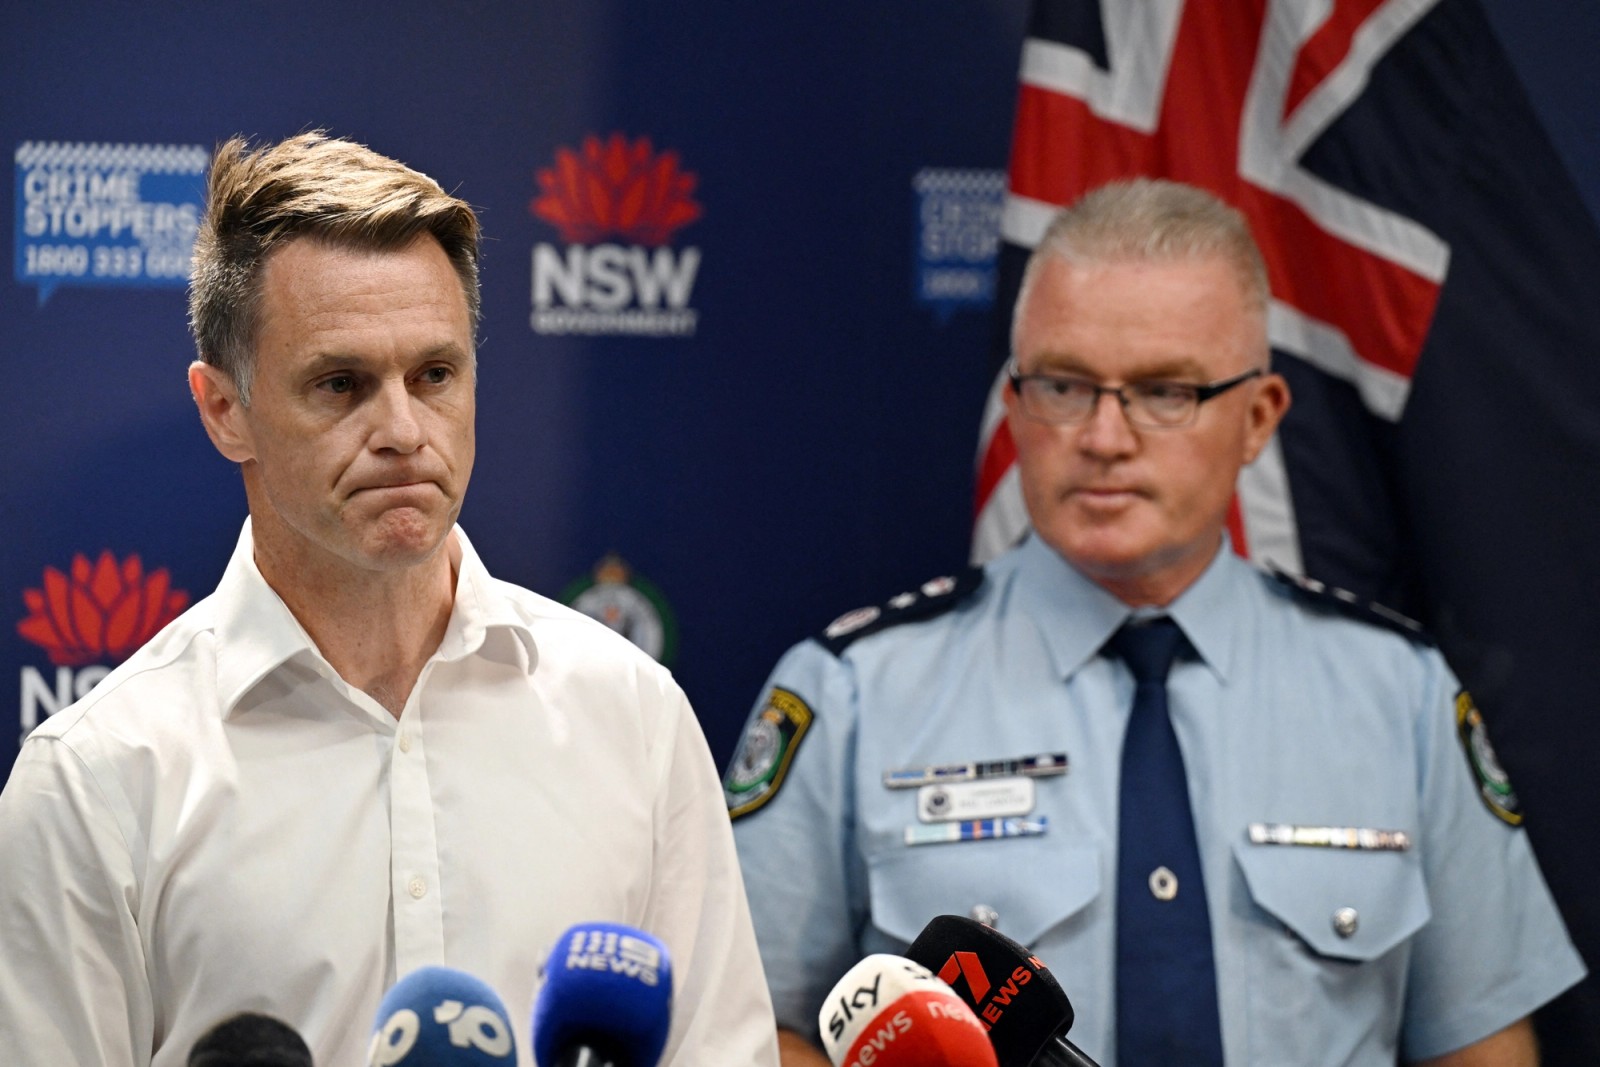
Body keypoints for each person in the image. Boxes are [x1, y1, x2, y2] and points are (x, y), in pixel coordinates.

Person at [726, 178, 1585, 1066]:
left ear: (1258, 419)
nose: (1105, 436)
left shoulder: (1397, 692)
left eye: (1165, 391)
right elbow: (743, 1029)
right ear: (1014, 406)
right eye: (1063, 385)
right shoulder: (853, 693)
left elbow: (1481, 1044)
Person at [0, 132, 777, 1067]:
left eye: (434, 375)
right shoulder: (95, 783)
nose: (404, 430)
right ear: (224, 410)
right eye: (341, 384)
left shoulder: (633, 716)